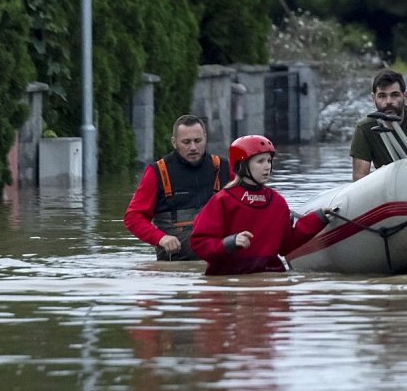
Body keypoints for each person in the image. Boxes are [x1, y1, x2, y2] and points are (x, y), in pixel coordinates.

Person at [190, 135, 331, 275]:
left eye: (269, 161)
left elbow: (285, 246)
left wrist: (318, 219)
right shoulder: (222, 200)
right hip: (230, 278)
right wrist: (229, 243)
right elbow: (199, 243)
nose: (267, 167)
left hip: (271, 274)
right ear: (241, 165)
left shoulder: (277, 201)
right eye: (260, 161)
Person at [123, 115, 231, 261]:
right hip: (176, 264)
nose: (193, 147)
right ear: (174, 142)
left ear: (205, 138)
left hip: (218, 260)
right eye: (186, 142)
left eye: (197, 141)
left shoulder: (223, 167)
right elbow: (133, 217)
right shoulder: (158, 172)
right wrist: (160, 238)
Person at [350, 69, 407, 180]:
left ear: (405, 97)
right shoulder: (364, 128)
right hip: (388, 186)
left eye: (395, 95)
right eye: (382, 96)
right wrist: (382, 174)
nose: (389, 101)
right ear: (373, 98)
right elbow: (359, 177)